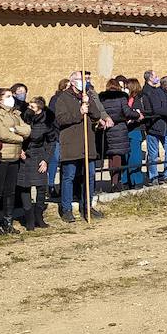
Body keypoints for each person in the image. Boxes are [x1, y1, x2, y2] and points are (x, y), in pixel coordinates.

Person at [51, 71, 110, 222]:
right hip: (71, 144)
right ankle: (67, 209)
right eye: (79, 79)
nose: (83, 82)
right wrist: (79, 112)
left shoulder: (87, 96)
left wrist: (88, 104)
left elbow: (96, 115)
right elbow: (61, 119)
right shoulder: (62, 98)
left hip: (87, 144)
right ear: (72, 82)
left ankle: (87, 206)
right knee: (69, 176)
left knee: (90, 176)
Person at [0, 87, 29, 235]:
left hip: (14, 156)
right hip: (1, 156)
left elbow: (27, 129)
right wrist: (19, 137)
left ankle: (8, 221)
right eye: (8, 96)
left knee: (10, 191)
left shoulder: (16, 113)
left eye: (12, 96)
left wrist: (14, 129)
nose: (11, 98)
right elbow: (1, 133)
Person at [16, 95, 55, 229]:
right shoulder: (22, 119)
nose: (29, 108)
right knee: (24, 187)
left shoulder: (47, 122)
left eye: (32, 107)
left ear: (39, 109)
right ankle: (29, 219)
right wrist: (19, 150)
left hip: (39, 156)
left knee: (41, 188)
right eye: (29, 106)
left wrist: (46, 160)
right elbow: (15, 136)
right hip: (25, 157)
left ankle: (39, 216)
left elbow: (51, 142)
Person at [138, 70, 167, 185]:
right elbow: (157, 109)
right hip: (154, 126)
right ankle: (154, 177)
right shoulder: (155, 93)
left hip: (166, 126)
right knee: (153, 153)